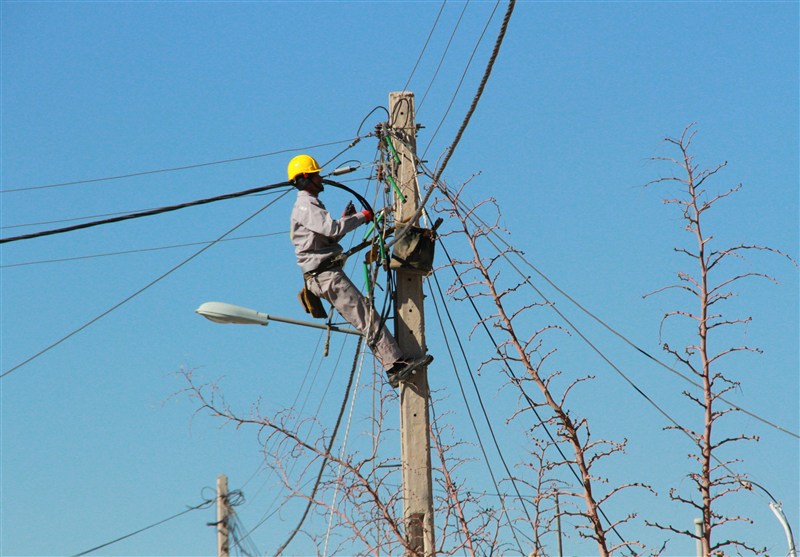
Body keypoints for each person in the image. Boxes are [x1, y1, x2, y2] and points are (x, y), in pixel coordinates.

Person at [287, 154, 430, 387]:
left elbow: (328, 234)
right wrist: (362, 217)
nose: (321, 178)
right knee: (366, 318)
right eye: (316, 175)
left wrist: (348, 219)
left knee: (366, 315)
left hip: (325, 274)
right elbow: (331, 229)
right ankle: (395, 366)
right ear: (305, 179)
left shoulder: (309, 205)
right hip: (325, 275)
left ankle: (395, 363)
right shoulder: (306, 205)